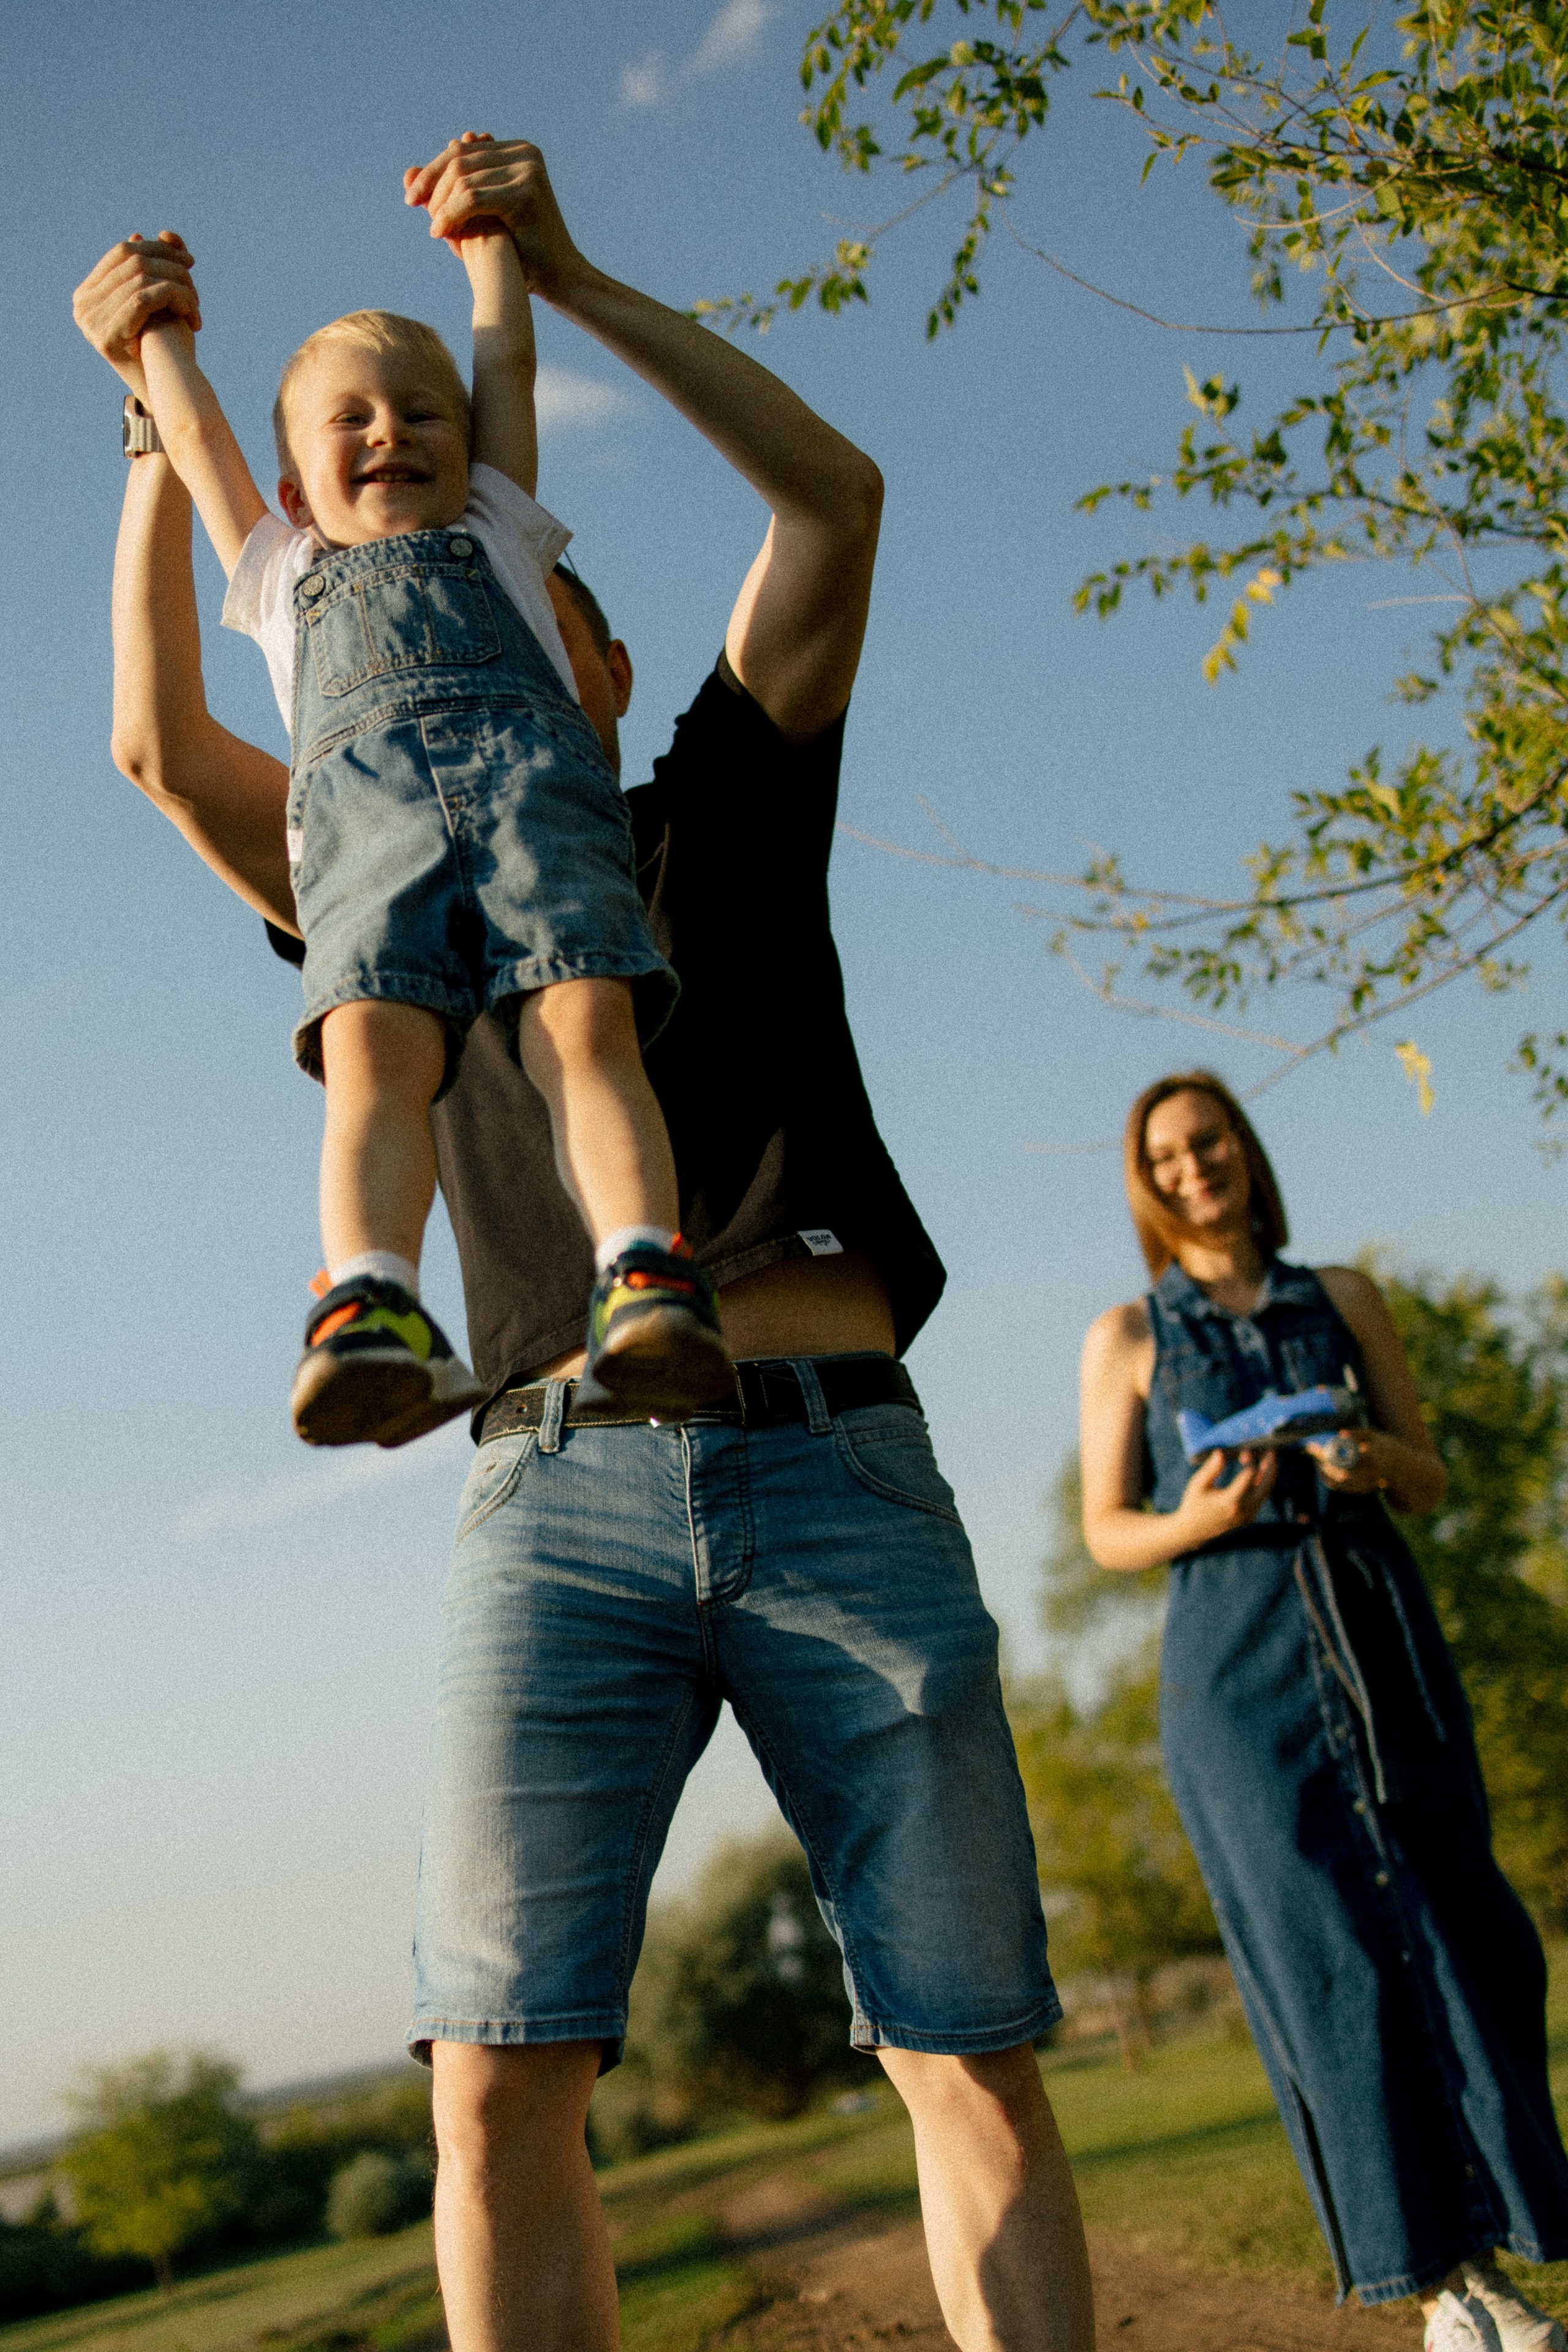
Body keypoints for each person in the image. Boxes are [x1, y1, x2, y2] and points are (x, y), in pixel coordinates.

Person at [75, 135, 1096, 2352]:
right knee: (492, 2078)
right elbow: (162, 740)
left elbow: (832, 501)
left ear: (591, 651)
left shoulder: (719, 804)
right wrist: (155, 424)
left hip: (831, 1455)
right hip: (553, 1499)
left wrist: (568, 274)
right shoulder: (361, 859)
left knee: (964, 2051)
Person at [75, 141, 728, 1449]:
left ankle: (643, 1273)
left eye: (422, 414)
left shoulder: (498, 519)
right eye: (353, 421)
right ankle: (370, 1299)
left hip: (537, 811)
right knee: (372, 1061)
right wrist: (158, 346)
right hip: (365, 841)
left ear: (469, 446)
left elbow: (506, 366)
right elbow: (193, 439)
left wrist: (490, 249)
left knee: (582, 1030)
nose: (394, 432)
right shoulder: (274, 571)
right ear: (294, 485)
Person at [1079, 1068, 1568, 2352]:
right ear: (1146, 1181)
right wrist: (1196, 1515)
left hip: (1377, 1641)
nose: (1195, 1166)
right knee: (1324, 1965)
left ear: (1243, 1149)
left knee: (1458, 1928)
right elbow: (1106, 1531)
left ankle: (1502, 2253)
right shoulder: (1126, 1337)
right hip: (1234, 1677)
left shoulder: (1339, 1299)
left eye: (1212, 1139)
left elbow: (1431, 1475)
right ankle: (1437, 2290)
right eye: (1168, 1153)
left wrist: (1367, 1461)